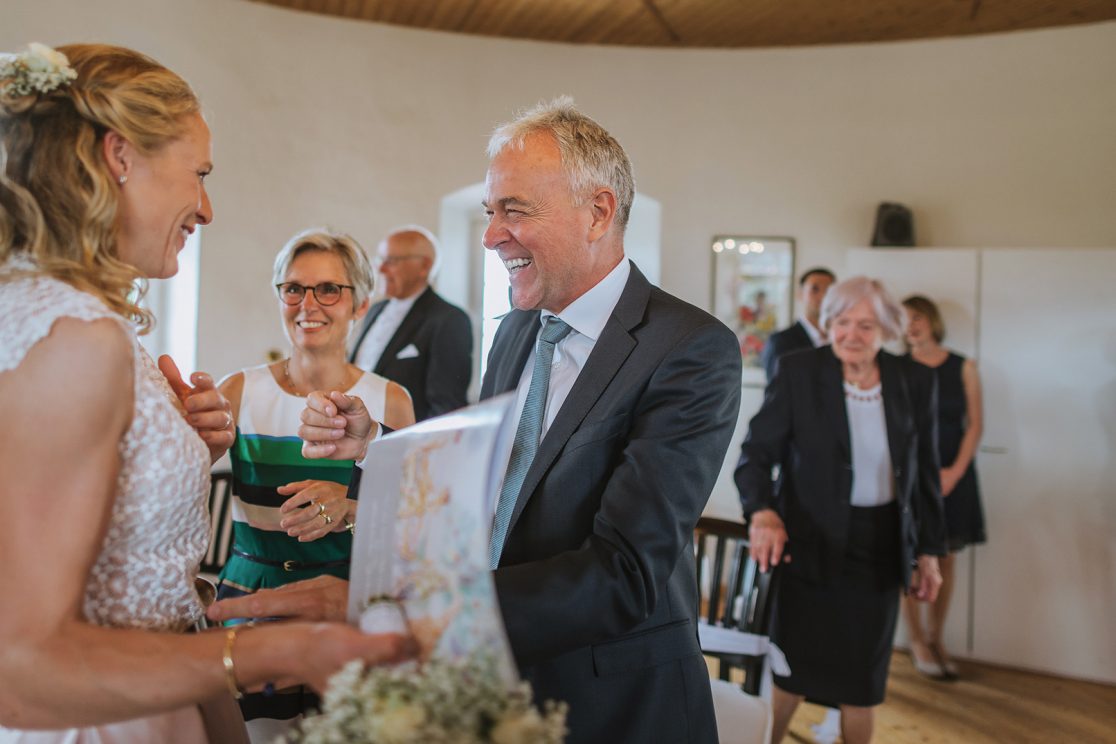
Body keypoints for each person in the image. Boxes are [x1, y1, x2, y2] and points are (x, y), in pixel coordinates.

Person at [211, 97, 742, 744]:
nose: (491, 234)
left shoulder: (688, 348)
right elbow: (482, 497)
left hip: (612, 701)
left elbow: (624, 573)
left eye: (514, 210)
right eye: (490, 212)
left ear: (598, 211)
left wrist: (400, 613)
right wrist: (376, 446)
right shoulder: (517, 333)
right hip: (488, 686)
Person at [0, 43, 410, 741]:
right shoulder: (75, 336)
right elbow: (19, 664)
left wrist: (179, 441)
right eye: (199, 173)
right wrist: (278, 649)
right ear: (120, 156)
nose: (208, 207)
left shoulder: (76, 318)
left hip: (162, 686)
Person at [215, 228, 414, 738]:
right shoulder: (238, 391)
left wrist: (351, 505)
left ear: (361, 304)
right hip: (250, 600)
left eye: (330, 289)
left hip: (347, 606)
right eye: (294, 288)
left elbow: (412, 522)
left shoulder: (390, 401)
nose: (309, 303)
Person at [734, 276, 946, 744]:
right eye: (843, 322)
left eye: (866, 325)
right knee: (792, 672)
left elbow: (925, 475)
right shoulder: (799, 371)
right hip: (808, 543)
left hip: (880, 551)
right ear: (828, 323)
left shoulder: (914, 379)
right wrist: (762, 513)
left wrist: (928, 552)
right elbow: (755, 456)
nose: (852, 334)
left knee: (862, 683)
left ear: (887, 329)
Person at [899, 294, 985, 679]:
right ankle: (915, 639)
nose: (911, 325)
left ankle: (937, 637)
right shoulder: (894, 367)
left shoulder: (962, 366)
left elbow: (975, 425)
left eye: (917, 317)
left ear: (931, 321)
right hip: (908, 477)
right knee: (909, 558)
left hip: (954, 474)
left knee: (946, 558)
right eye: (903, 320)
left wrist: (953, 473)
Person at [350, 226, 472, 421]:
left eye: (391, 261)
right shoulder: (374, 310)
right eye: (380, 260)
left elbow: (446, 407)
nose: (380, 269)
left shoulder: (449, 320)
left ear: (424, 266)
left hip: (403, 444)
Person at [760, 267, 836, 381]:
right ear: (800, 294)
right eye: (815, 289)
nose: (823, 297)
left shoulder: (840, 339)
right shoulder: (780, 341)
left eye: (829, 291)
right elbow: (777, 392)